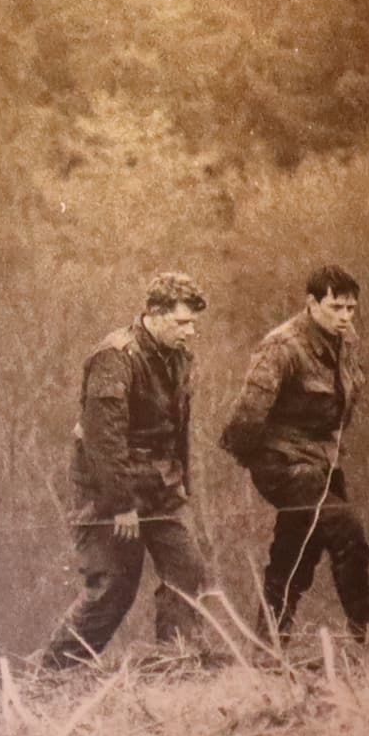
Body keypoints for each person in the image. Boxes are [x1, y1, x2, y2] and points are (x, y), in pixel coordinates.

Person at [44, 270, 231, 667]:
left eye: (193, 323)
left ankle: (175, 664)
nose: (190, 332)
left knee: (187, 571)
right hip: (108, 489)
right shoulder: (115, 357)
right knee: (114, 587)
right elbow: (102, 441)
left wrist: (182, 485)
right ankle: (55, 673)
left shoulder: (178, 358)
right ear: (154, 313)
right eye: (182, 322)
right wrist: (122, 504)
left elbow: (178, 431)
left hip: (161, 486)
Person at [222, 265, 369, 648]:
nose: (345, 316)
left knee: (297, 552)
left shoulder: (346, 342)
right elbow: (245, 417)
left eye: (351, 308)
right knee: (349, 537)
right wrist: (263, 462)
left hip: (323, 462)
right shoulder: (282, 347)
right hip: (284, 463)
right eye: (336, 307)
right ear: (312, 303)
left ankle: (267, 647)